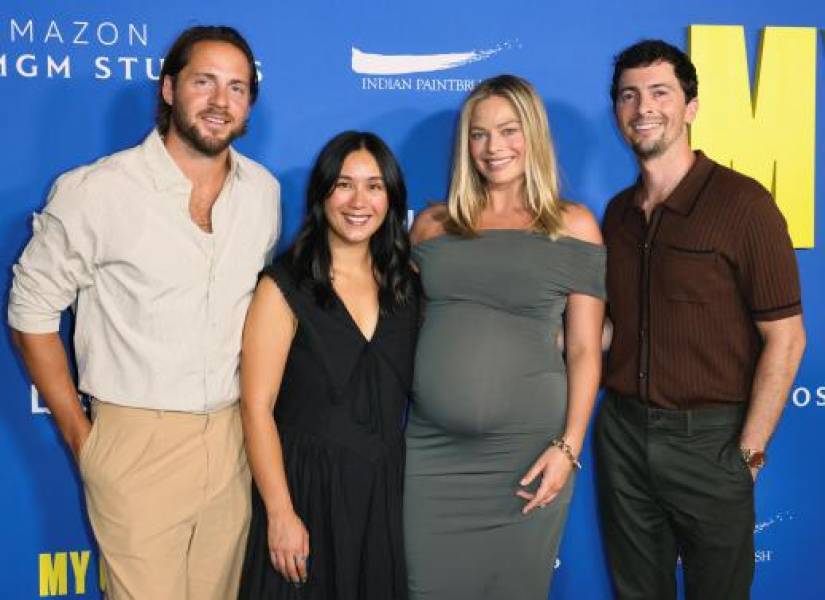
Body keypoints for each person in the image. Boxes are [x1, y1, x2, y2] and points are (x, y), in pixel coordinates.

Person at [8, 26, 280, 599]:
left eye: (236, 87)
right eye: (204, 82)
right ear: (169, 89)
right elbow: (31, 311)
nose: (220, 101)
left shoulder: (262, 193)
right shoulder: (98, 191)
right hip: (136, 442)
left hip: (232, 442)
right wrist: (82, 437)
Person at [596, 39, 806, 600]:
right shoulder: (616, 214)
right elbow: (617, 330)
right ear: (617, 110)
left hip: (710, 440)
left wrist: (749, 456)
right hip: (621, 433)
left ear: (690, 106)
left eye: (660, 92)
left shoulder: (745, 206)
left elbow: (786, 339)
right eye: (629, 95)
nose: (644, 108)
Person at [404, 74, 606, 599]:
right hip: (432, 455)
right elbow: (409, 325)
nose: (494, 147)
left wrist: (569, 447)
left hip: (528, 456)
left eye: (508, 130)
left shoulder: (573, 226)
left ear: (533, 135)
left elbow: (585, 349)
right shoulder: (430, 226)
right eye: (479, 133)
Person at [237, 131, 419, 600]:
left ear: (392, 198)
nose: (359, 201)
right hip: (305, 496)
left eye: (374, 186)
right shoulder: (284, 286)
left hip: (382, 495)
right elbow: (257, 408)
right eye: (344, 184)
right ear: (322, 194)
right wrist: (280, 513)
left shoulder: (408, 285)